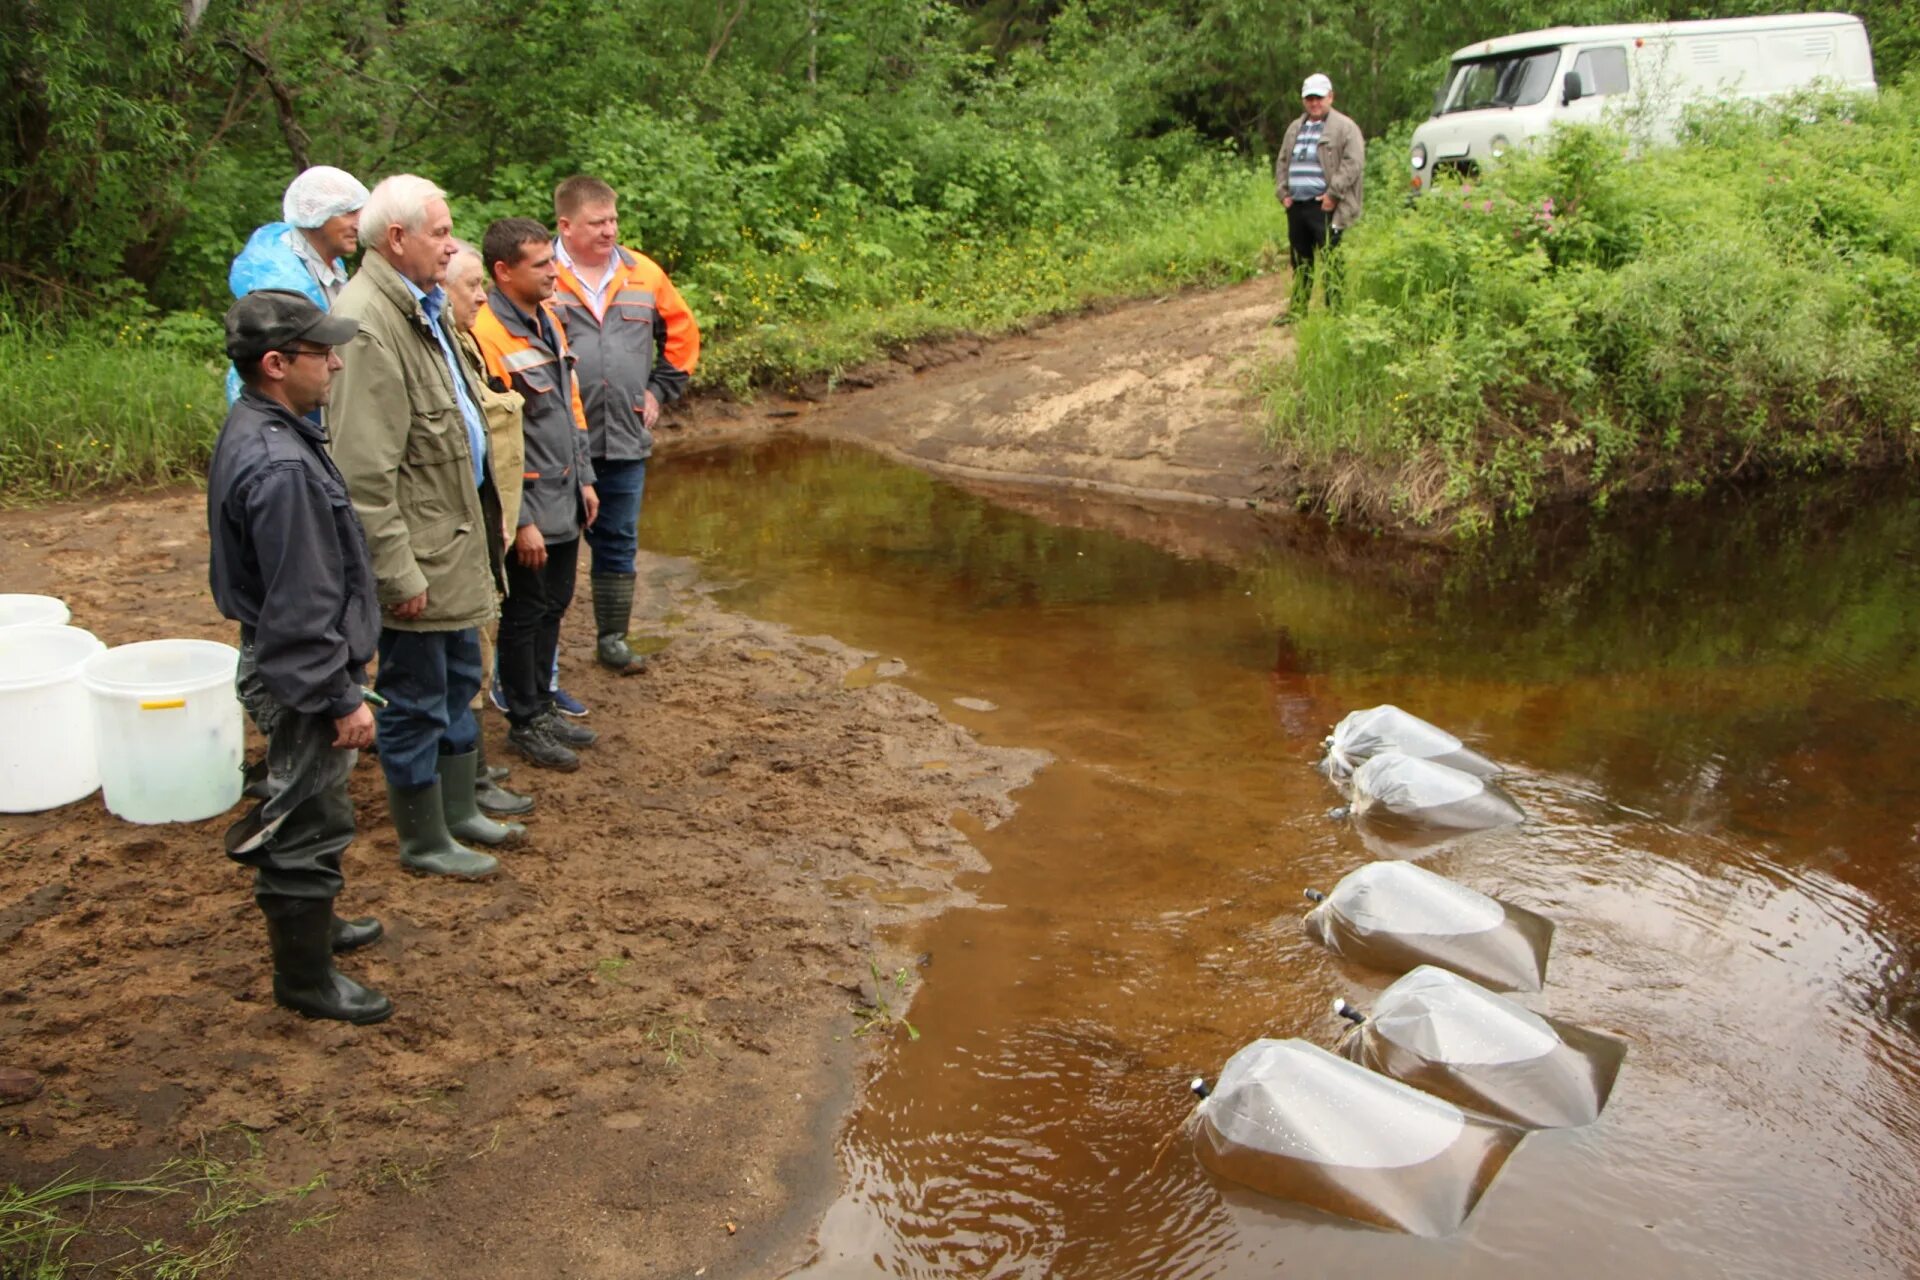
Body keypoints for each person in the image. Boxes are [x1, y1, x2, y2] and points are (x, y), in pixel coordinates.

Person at [206, 290, 389, 1024]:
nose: (337, 363)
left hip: (290, 662)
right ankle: (305, 980)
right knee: (303, 820)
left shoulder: (265, 427)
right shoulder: (279, 463)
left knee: (321, 803)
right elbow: (299, 602)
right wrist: (338, 694)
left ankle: (321, 926)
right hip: (303, 673)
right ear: (277, 364)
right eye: (324, 353)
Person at [328, 174, 509, 879]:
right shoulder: (370, 322)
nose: (451, 242)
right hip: (420, 558)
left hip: (453, 541)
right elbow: (363, 473)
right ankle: (423, 839)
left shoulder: (418, 306)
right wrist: (396, 571)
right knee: (413, 697)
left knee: (458, 674)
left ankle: (457, 811)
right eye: (439, 231)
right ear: (396, 238)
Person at [550, 174, 701, 676]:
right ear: (566, 225)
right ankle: (542, 653)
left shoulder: (644, 274)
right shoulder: (541, 274)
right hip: (555, 442)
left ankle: (612, 639)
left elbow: (682, 335)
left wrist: (659, 391)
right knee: (555, 543)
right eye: (597, 223)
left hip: (623, 437)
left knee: (618, 539)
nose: (609, 230)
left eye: (613, 220)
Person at [472, 218, 602, 771]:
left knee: (555, 604)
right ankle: (524, 718)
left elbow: (570, 408)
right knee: (523, 612)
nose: (555, 271)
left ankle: (543, 706)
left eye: (553, 260)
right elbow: (495, 440)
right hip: (528, 504)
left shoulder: (548, 318)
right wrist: (519, 519)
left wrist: (588, 477)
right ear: (504, 272)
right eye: (541, 264)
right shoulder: (487, 335)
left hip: (566, 492)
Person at [447, 242, 538, 817]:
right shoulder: (438, 343)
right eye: (471, 287)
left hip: (485, 519)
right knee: (463, 661)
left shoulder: (462, 343)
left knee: (477, 648)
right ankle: (464, 785)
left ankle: (472, 770)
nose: (482, 297)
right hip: (458, 528)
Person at [224, 165, 370, 405]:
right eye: (348, 214)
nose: (359, 224)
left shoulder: (330, 263)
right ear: (317, 215)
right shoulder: (280, 278)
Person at [1275, 74, 1364, 324]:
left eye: (1318, 98)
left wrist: (1333, 195)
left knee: (1331, 259)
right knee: (1300, 261)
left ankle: (1336, 313)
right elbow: (1283, 161)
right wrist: (1283, 193)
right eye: (1309, 98)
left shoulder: (1345, 127)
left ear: (1330, 97)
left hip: (1324, 206)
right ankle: (1298, 310)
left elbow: (1353, 163)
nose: (1314, 103)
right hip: (1297, 205)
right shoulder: (1295, 127)